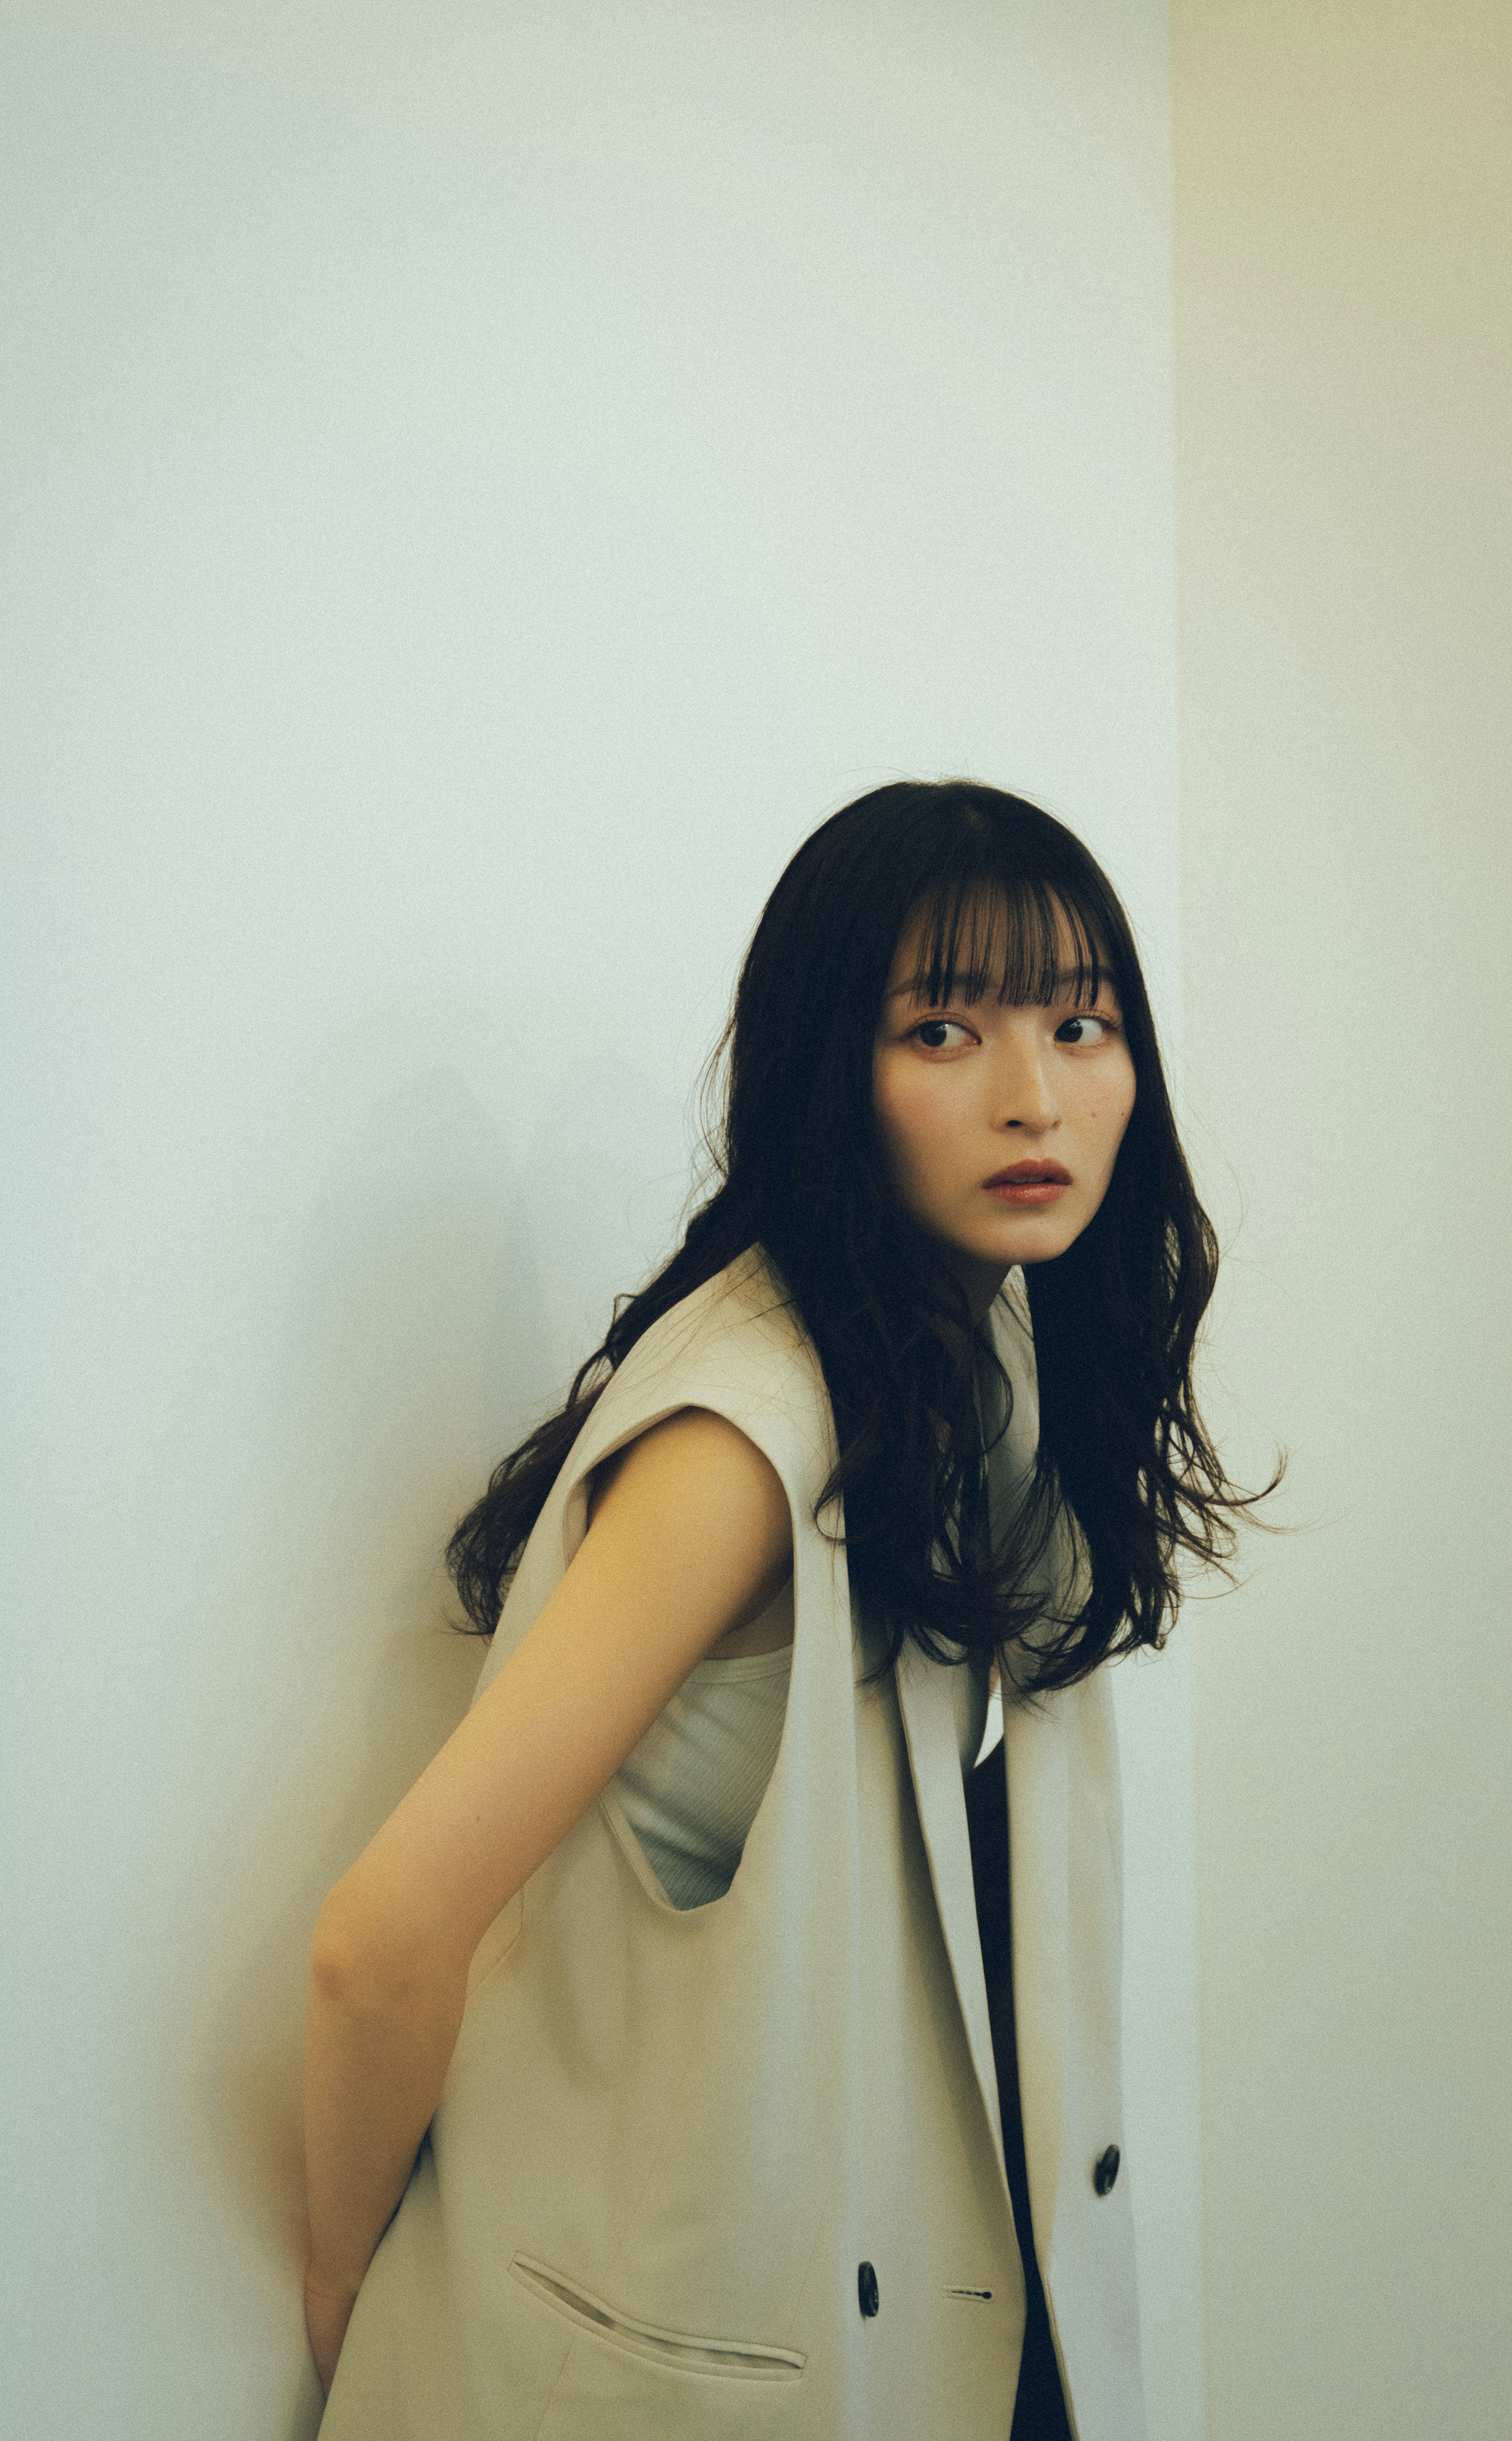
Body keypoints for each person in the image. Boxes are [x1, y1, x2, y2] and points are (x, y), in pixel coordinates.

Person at [301, 779, 1271, 2439]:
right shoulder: (742, 1443)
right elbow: (378, 1946)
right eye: (945, 1031)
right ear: (839, 1070)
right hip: (714, 2352)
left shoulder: (979, 1352)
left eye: (1082, 1023)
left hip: (945, 2302)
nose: (1036, 1095)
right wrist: (350, 2311)